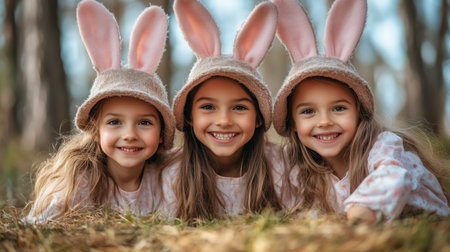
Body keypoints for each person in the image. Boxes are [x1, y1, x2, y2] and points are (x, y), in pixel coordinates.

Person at [272, 0, 449, 222]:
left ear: (358, 111)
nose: (325, 121)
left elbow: (391, 177)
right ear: (293, 123)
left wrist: (362, 211)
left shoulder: (383, 145)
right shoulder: (303, 168)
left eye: (339, 108)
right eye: (308, 111)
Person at [24, 0, 175, 224]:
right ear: (96, 131)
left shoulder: (164, 178)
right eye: (115, 122)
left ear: (162, 132)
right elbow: (37, 225)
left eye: (144, 123)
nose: (130, 134)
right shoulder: (82, 179)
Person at [160, 0, 287, 221]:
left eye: (239, 107)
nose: (224, 120)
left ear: (258, 117)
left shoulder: (278, 166)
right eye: (208, 107)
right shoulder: (173, 173)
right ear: (189, 115)